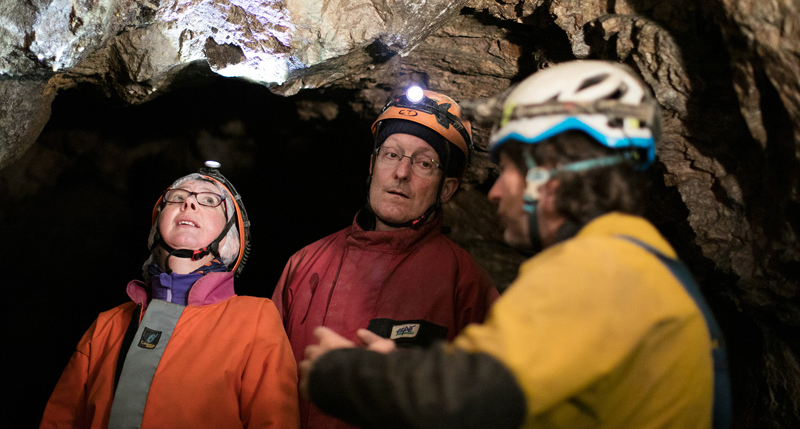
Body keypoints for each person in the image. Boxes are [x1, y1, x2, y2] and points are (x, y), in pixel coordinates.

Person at [299, 60, 732, 429]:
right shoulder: (640, 263)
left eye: (506, 170)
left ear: (548, 174)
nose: (494, 192)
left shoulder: (597, 267)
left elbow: (476, 394)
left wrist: (345, 374)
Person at [271, 86, 500, 428]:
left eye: (424, 163)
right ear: (373, 164)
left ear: (447, 188)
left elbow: (488, 406)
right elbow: (265, 385)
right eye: (391, 155)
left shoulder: (464, 284)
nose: (401, 173)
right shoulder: (304, 264)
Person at [40, 161, 300, 429]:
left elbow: (275, 421)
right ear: (156, 228)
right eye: (177, 198)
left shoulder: (254, 318)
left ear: (229, 240)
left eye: (210, 200)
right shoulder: (107, 325)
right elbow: (60, 421)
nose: (189, 204)